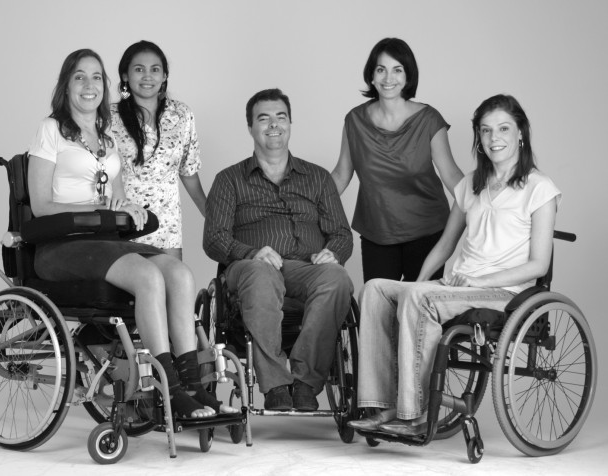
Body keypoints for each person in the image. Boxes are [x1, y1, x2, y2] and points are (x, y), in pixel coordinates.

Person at [27, 48, 234, 419]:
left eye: (96, 77)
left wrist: (128, 208)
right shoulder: (51, 129)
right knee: (148, 277)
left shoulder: (106, 136)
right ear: (66, 85)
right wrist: (96, 210)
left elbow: (116, 196)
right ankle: (169, 390)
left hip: (102, 242)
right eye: (79, 77)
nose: (89, 85)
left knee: (180, 274)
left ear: (105, 84)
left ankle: (194, 387)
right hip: (62, 246)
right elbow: (41, 205)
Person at [347, 94, 561, 435]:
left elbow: (538, 264)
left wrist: (480, 282)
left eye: (504, 129)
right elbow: (445, 246)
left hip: (505, 292)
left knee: (419, 299)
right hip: (459, 287)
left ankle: (413, 415)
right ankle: (382, 405)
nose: (494, 138)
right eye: (486, 130)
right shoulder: (472, 185)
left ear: (521, 132)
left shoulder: (539, 188)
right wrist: (417, 283)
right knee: (375, 290)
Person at [204, 88, 354, 411]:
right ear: (250, 127)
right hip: (249, 268)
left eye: (280, 117)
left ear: (290, 124)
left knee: (337, 278)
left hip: (305, 269)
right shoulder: (229, 180)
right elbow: (214, 238)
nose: (274, 125)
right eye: (264, 118)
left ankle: (305, 383)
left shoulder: (318, 178)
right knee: (261, 273)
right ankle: (275, 386)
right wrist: (251, 253)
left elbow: (342, 233)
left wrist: (334, 252)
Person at [331, 37, 464, 283]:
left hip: (427, 230)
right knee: (378, 303)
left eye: (397, 70)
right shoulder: (354, 121)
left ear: (407, 75)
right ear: (371, 76)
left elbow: (451, 174)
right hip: (377, 231)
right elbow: (341, 174)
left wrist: (484, 205)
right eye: (381, 69)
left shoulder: (429, 119)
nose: (388, 78)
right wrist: (306, 203)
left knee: (418, 305)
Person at [111, 40, 206, 261]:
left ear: (164, 76)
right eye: (139, 69)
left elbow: (188, 171)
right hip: (123, 223)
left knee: (175, 281)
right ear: (125, 75)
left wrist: (208, 213)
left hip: (167, 227)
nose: (147, 76)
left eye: (155, 69)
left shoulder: (181, 114)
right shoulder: (108, 117)